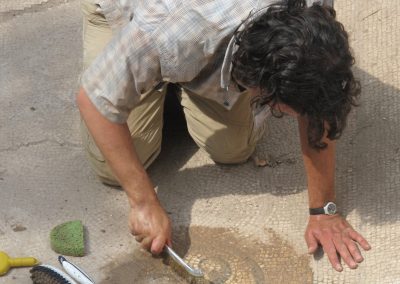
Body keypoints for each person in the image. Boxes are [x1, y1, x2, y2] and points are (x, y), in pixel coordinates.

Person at [77, 0, 371, 272]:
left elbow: (320, 98)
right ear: (262, 84)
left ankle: (163, 75)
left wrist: (324, 210)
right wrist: (142, 202)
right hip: (131, 16)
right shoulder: (168, 31)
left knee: (233, 148)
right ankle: (148, 74)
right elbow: (94, 99)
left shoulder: (310, 8)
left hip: (192, 47)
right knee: (113, 166)